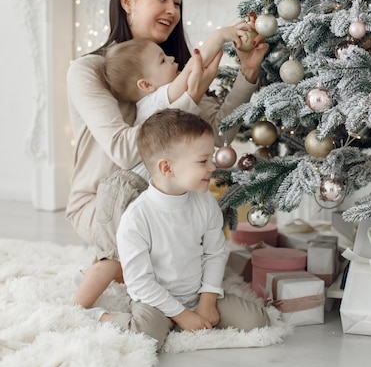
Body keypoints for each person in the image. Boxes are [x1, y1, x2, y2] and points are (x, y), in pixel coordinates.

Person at [66, 0, 268, 302]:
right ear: (127, 2)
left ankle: (126, 270)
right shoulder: (89, 71)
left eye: (177, 2)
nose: (171, 10)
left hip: (159, 202)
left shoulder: (174, 73)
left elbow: (216, 138)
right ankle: (110, 270)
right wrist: (187, 92)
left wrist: (246, 76)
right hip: (103, 204)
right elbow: (125, 151)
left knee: (186, 260)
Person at [86, 109, 271, 351]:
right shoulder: (137, 217)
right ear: (166, 168)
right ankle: (101, 317)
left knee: (259, 321)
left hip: (195, 293)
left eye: (211, 159)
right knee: (145, 337)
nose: (212, 167)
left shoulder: (205, 203)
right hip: (155, 300)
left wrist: (207, 301)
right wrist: (182, 315)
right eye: (203, 161)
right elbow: (140, 284)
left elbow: (215, 254)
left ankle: (190, 313)